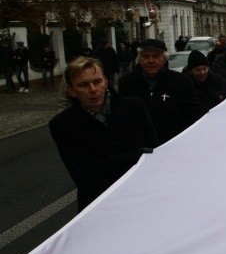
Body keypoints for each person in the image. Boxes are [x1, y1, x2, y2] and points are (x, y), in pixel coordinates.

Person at [49, 56, 158, 210]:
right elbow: (82, 174)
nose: (93, 89)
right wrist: (134, 157)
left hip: (142, 196)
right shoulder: (63, 124)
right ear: (72, 91)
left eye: (97, 81)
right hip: (99, 204)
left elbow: (154, 152)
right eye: (84, 85)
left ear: (106, 81)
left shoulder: (135, 107)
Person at [118, 39, 203, 146]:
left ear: (165, 59)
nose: (151, 60)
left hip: (174, 146)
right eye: (145, 56)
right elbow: (122, 119)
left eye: (156, 56)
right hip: (139, 149)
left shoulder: (181, 82)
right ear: (139, 59)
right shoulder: (126, 83)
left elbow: (195, 115)